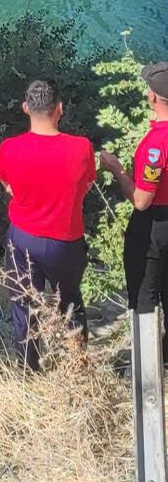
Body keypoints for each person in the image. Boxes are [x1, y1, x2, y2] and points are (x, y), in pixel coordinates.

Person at [0, 79, 96, 371]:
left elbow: (8, 185)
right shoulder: (81, 147)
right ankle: (77, 364)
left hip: (23, 237)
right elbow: (87, 185)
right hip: (67, 239)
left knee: (24, 303)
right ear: (60, 109)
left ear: (26, 108)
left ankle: (29, 370)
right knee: (71, 302)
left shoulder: (8, 148)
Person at [100, 62, 168, 353]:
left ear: (152, 97)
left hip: (154, 225)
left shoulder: (156, 144)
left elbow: (142, 199)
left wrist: (117, 170)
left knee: (144, 296)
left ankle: (146, 372)